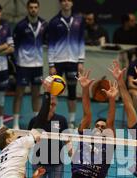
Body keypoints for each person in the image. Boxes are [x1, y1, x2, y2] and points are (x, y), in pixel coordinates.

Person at [28, 81, 71, 178]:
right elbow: (28, 141)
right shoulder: (35, 121)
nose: (52, 106)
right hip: (38, 163)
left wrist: (71, 149)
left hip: (56, 164)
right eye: (49, 103)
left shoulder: (61, 120)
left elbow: (67, 138)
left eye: (54, 103)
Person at [48, 0, 85, 129]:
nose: (66, 3)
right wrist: (51, 64)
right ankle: (52, 118)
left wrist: (80, 61)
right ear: (60, 3)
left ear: (72, 3)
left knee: (72, 92)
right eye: (63, 1)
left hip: (73, 61)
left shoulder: (79, 20)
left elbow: (81, 41)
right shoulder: (54, 22)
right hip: (57, 62)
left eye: (68, 0)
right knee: (54, 92)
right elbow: (50, 45)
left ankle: (71, 120)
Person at [13, 0, 48, 130]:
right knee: (19, 94)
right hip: (23, 65)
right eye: (31, 7)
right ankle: (16, 123)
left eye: (35, 7)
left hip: (37, 65)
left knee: (36, 94)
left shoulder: (44, 24)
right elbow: (14, 45)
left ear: (38, 9)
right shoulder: (21, 25)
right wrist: (18, 61)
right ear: (27, 9)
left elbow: (47, 42)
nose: (33, 10)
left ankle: (36, 122)